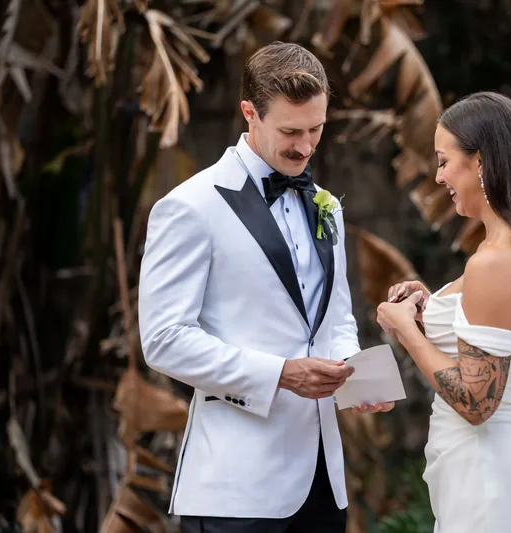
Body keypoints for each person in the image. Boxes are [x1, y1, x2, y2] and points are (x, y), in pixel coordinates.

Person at [137, 41, 392, 533]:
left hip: (323, 482)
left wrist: (356, 376)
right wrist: (279, 374)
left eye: (316, 129)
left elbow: (335, 317)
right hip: (237, 486)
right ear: (249, 113)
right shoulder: (189, 207)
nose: (306, 147)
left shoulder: (326, 205)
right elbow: (164, 340)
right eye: (290, 132)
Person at [375, 91, 511, 533]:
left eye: (444, 161)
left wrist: (407, 333)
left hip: (489, 476)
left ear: (480, 162)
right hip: (491, 466)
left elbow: (477, 403)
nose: (438, 177)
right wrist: (433, 310)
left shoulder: (493, 263)